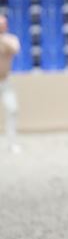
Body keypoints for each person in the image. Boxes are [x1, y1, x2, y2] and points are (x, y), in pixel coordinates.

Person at [0, 15, 21, 153]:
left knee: (13, 109)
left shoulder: (10, 39)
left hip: (4, 82)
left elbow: (15, 49)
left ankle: (12, 143)